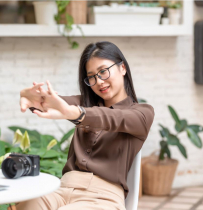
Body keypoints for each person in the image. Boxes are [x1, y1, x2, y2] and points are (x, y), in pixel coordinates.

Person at [17, 41, 155, 210]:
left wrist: (77, 113)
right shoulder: (84, 102)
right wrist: (29, 96)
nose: (99, 81)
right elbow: (49, 103)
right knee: (26, 203)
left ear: (123, 68)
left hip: (103, 197)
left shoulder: (142, 113)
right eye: (91, 76)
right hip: (62, 189)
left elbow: (112, 118)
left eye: (103, 72)